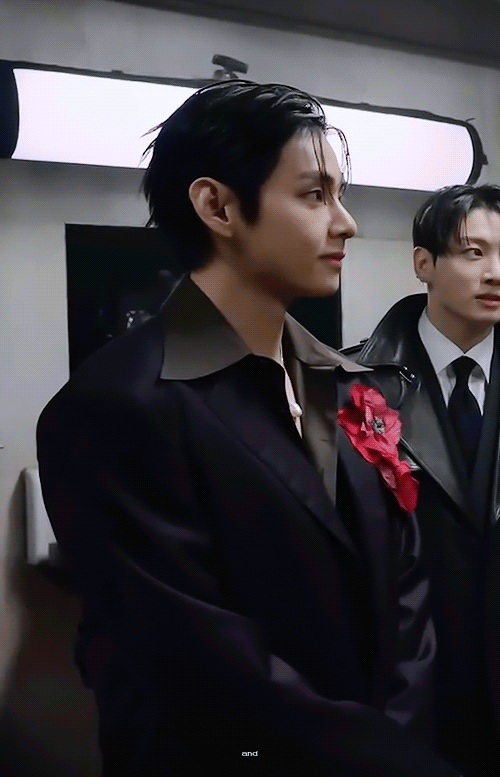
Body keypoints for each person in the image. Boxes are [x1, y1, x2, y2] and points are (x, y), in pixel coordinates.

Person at [36, 81, 459, 777]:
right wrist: (390, 760)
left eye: (340, 194)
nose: (347, 223)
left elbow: (406, 584)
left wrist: (402, 736)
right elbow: (202, 665)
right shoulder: (117, 408)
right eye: (315, 195)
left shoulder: (350, 384)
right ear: (218, 206)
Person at [343, 183, 500, 777]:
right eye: (474, 252)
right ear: (423, 263)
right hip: (410, 675)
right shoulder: (354, 386)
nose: (496, 273)